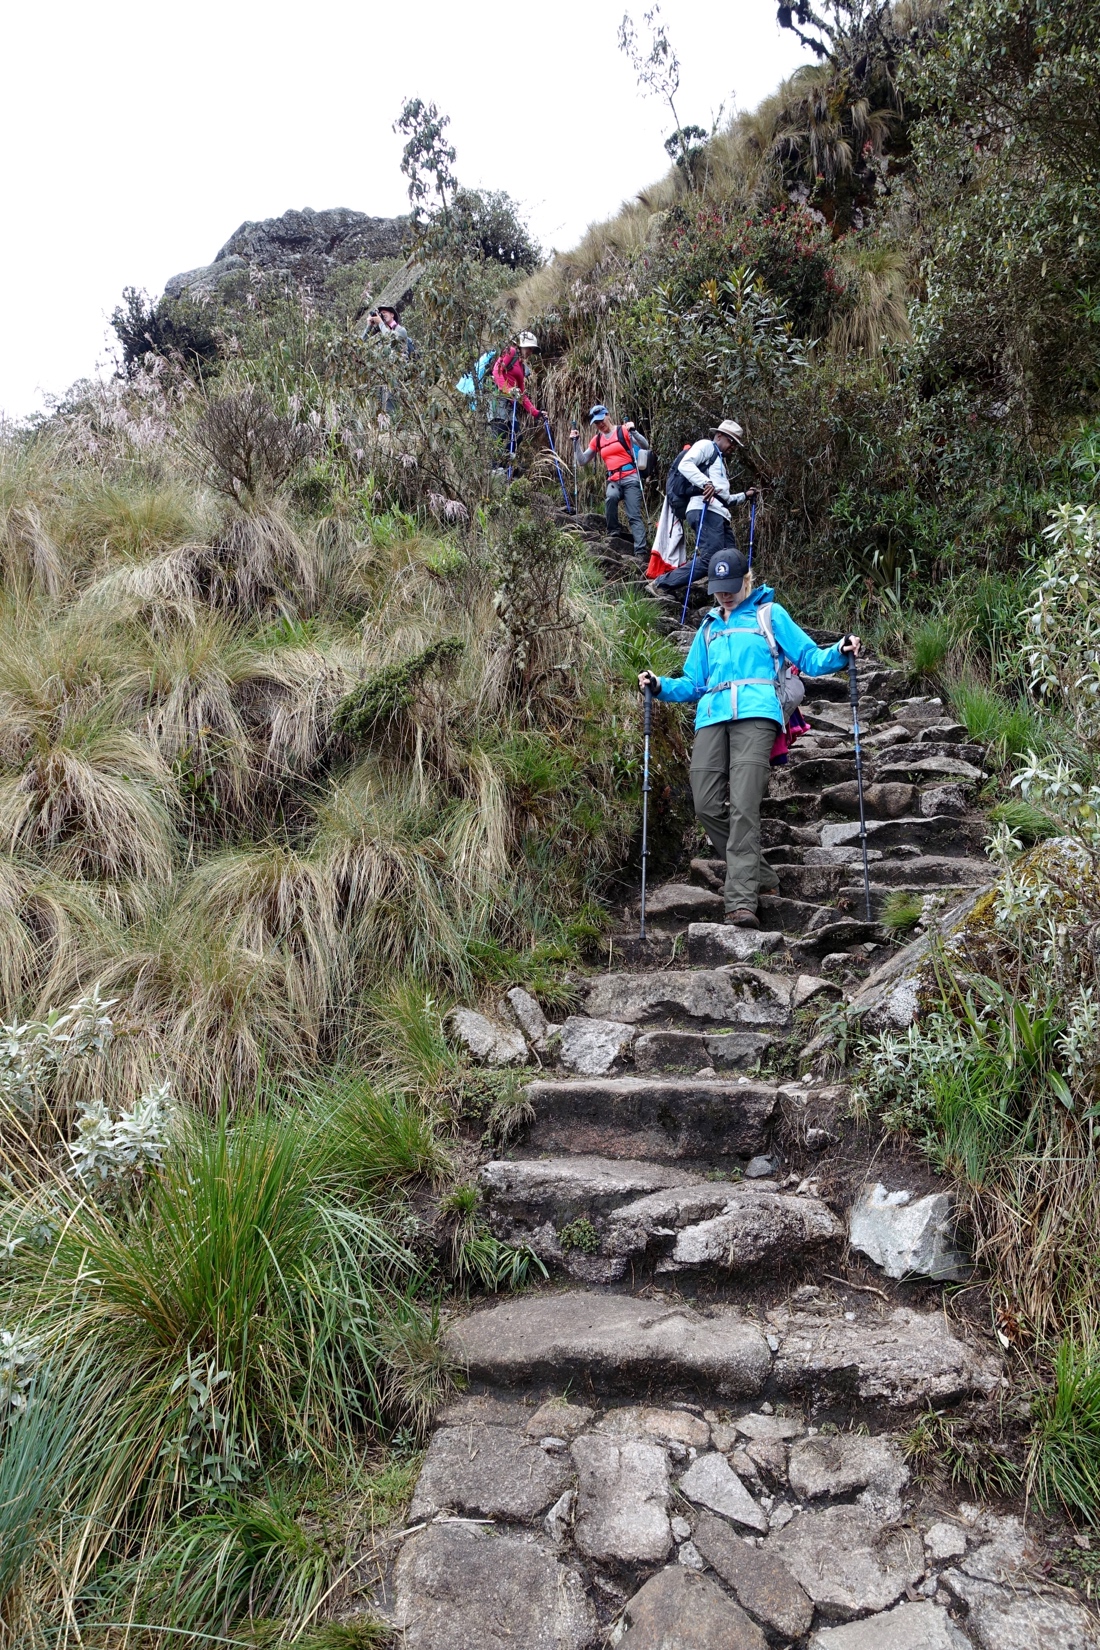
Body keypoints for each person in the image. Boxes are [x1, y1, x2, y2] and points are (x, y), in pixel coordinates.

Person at [638, 550, 861, 927]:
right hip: (711, 716)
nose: (725, 596)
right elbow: (693, 683)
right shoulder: (707, 628)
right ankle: (763, 876)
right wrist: (659, 685)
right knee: (706, 803)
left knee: (743, 805)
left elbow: (808, 657)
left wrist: (840, 651)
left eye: (731, 588)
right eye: (718, 589)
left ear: (748, 579)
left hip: (757, 714)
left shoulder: (769, 615)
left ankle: (740, 902)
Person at [569, 404, 650, 554]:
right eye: (597, 422)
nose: (600, 424)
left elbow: (645, 445)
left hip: (631, 477)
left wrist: (633, 431)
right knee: (611, 498)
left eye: (601, 420)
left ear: (608, 415)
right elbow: (582, 460)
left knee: (633, 514)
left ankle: (641, 551)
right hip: (613, 479)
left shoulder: (623, 430)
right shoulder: (597, 440)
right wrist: (576, 442)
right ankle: (613, 533)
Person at [677, 417, 758, 559]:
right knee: (711, 560)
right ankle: (662, 581)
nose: (733, 447)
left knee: (731, 561)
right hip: (704, 509)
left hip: (718, 514)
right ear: (719, 436)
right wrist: (706, 483)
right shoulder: (707, 446)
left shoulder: (720, 461)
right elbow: (685, 465)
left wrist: (746, 495)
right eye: (731, 441)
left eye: (735, 445)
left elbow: (725, 499)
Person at [489, 332, 546, 460]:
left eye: (532, 349)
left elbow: (522, 395)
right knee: (501, 433)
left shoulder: (520, 367)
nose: (531, 351)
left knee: (517, 436)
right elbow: (497, 371)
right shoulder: (511, 352)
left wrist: (536, 413)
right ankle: (494, 468)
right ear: (521, 345)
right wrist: (508, 390)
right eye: (529, 348)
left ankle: (507, 464)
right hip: (499, 400)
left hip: (510, 404)